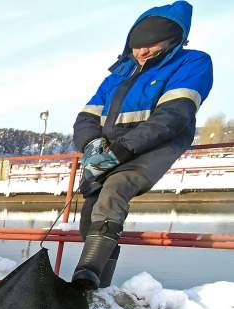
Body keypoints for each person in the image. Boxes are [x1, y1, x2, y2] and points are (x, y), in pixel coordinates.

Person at [71, 0, 212, 289]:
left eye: (152, 44)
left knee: (116, 188)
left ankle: (84, 277)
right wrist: (93, 145)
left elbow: (172, 117)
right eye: (137, 45)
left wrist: (120, 152)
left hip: (152, 147)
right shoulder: (117, 76)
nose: (142, 51)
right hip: (109, 149)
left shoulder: (193, 62)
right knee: (90, 212)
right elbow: (86, 117)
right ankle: (99, 286)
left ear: (174, 39)